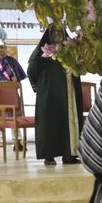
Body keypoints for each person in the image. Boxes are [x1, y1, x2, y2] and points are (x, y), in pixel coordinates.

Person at [28, 25, 83, 165]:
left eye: (60, 31)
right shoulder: (43, 51)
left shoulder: (70, 50)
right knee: (49, 123)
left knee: (67, 122)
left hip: (68, 94)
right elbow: (32, 69)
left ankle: (68, 154)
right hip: (49, 95)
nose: (58, 34)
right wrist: (38, 87)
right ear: (50, 34)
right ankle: (49, 155)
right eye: (55, 32)